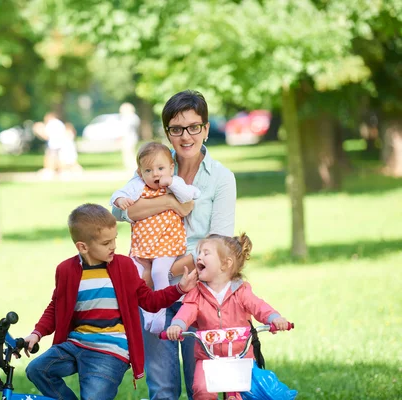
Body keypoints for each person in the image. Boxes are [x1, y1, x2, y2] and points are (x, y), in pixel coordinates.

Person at [111, 90, 236, 400]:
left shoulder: (221, 178)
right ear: (168, 132)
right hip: (154, 297)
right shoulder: (157, 164)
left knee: (202, 388)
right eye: (177, 129)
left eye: (194, 127)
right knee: (163, 389)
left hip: (200, 294)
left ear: (206, 129)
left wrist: (165, 268)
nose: (186, 136)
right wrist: (172, 202)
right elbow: (121, 211)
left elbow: (219, 246)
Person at [22, 203, 198, 400]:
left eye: (114, 239)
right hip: (75, 344)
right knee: (37, 370)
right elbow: (56, 307)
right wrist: (37, 334)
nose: (113, 246)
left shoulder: (124, 266)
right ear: (83, 246)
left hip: (111, 350)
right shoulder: (66, 270)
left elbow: (149, 301)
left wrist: (179, 289)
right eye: (106, 243)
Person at [166, 233, 291, 400]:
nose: (199, 256)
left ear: (225, 264)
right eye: (199, 252)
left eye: (206, 253)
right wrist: (178, 325)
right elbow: (187, 310)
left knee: (239, 394)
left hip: (240, 357)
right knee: (202, 389)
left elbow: (258, 306)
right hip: (208, 358)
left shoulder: (241, 291)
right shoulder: (196, 293)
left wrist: (274, 318)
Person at [110, 141, 201, 334]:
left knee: (159, 272)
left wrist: (173, 184)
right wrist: (120, 200)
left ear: (171, 168)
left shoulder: (174, 183)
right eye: (149, 170)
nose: (156, 174)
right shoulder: (137, 185)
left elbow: (189, 196)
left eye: (160, 168)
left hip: (167, 243)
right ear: (140, 172)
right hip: (142, 245)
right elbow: (116, 197)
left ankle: (159, 312)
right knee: (135, 277)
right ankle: (146, 312)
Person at [33, 112, 66, 178]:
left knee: (50, 157)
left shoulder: (51, 124)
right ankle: (61, 171)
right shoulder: (60, 123)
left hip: (53, 144)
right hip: (60, 144)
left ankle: (50, 171)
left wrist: (38, 130)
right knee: (59, 158)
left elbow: (46, 135)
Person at [119, 102, 140, 171]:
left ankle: (132, 166)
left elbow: (125, 128)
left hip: (130, 137)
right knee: (127, 152)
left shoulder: (131, 117)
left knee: (129, 151)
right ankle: (128, 165)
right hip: (129, 137)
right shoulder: (130, 117)